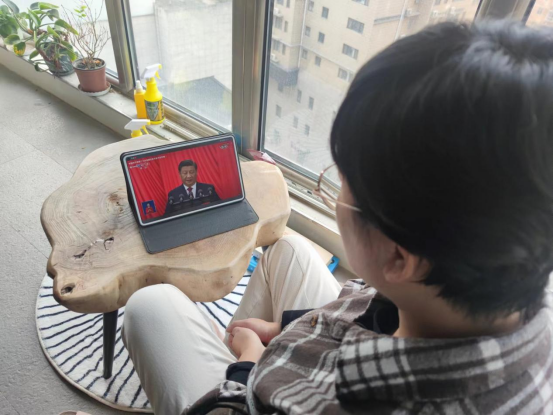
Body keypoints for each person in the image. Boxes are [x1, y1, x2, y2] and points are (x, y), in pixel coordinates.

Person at [122, 21, 553, 414]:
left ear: (399, 257)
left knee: (148, 305)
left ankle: (223, 362)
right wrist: (281, 326)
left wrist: (248, 365)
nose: (333, 193)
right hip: (329, 343)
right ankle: (227, 344)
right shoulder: (506, 288)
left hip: (257, 393)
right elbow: (366, 306)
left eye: (342, 183)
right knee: (289, 249)